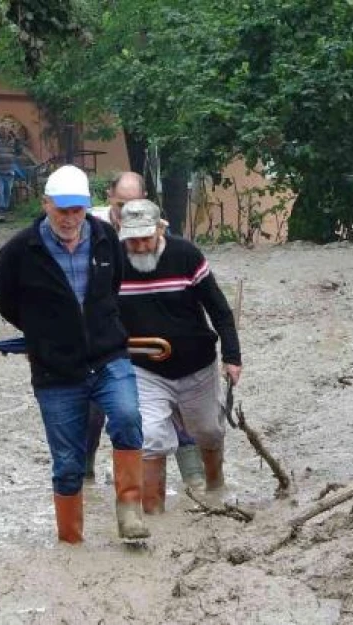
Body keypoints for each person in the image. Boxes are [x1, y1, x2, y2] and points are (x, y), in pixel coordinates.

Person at [0, 165, 150, 544]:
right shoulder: (19, 251)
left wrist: (98, 326)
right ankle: (71, 543)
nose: (69, 218)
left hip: (108, 355)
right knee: (67, 464)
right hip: (55, 370)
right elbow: (7, 304)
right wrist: (45, 334)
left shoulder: (105, 239)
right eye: (61, 210)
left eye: (76, 210)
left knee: (128, 417)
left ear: (87, 207)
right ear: (46, 204)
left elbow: (113, 288)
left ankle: (129, 510)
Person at [116, 198, 242, 513]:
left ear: (161, 229)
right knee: (150, 437)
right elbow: (98, 313)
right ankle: (154, 516)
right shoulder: (113, 261)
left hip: (196, 365)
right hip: (145, 369)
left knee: (208, 431)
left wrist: (232, 356)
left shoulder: (185, 255)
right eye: (133, 239)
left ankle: (215, 489)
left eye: (146, 237)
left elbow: (219, 309)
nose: (141, 245)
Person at [84, 172, 207, 492]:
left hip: (150, 334)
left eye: (134, 204)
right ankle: (85, 478)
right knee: (93, 408)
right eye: (121, 204)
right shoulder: (89, 228)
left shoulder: (157, 228)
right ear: (109, 196)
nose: (127, 211)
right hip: (105, 333)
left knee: (176, 402)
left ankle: (196, 480)